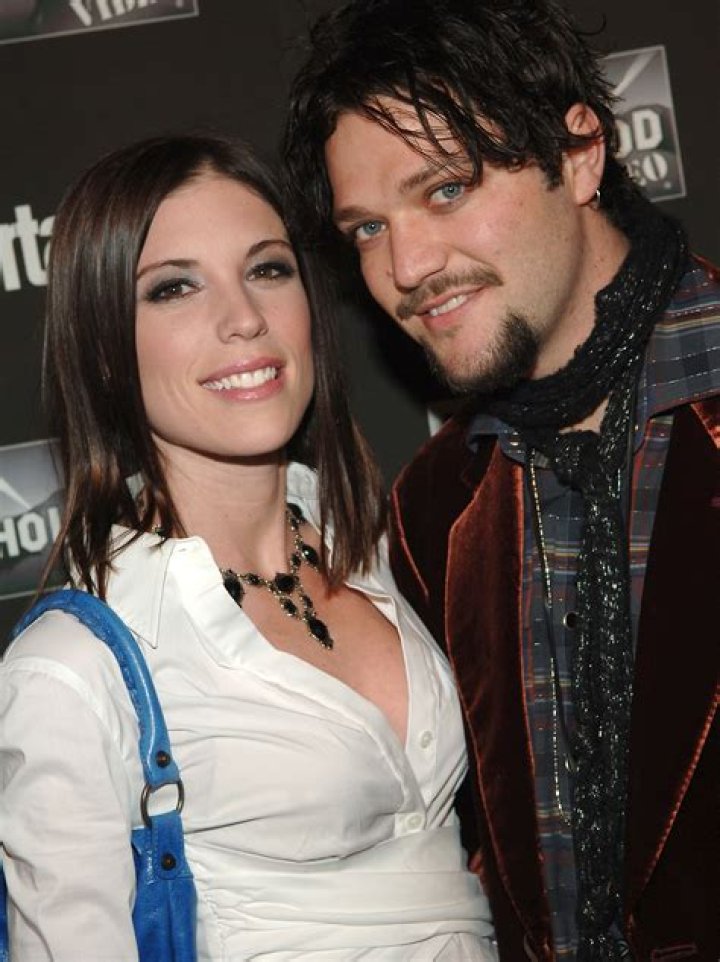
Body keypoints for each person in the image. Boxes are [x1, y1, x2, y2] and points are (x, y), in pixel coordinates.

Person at [282, 1, 720, 960]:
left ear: (580, 155)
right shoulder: (433, 509)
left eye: (446, 188)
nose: (407, 267)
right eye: (367, 227)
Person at [0, 134, 499, 961]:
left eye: (268, 269)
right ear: (103, 349)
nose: (244, 318)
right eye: (174, 288)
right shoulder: (72, 672)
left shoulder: (394, 546)